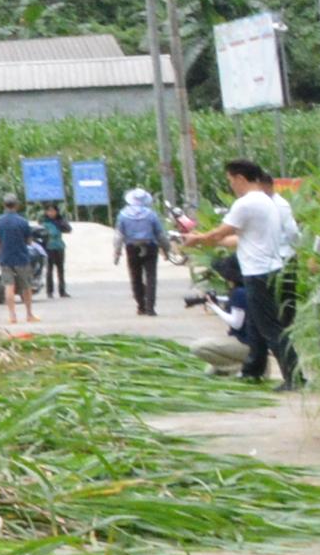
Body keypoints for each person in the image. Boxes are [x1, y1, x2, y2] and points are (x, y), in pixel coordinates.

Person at [193, 160, 307, 388]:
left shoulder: (245, 204)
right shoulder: (267, 201)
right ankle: (255, 369)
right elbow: (241, 237)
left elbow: (221, 233)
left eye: (230, 180)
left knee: (270, 327)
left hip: (258, 272)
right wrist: (206, 239)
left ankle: (294, 378)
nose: (231, 186)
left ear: (240, 178)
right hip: (270, 268)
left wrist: (198, 238)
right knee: (262, 325)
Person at [115, 185, 167, 315]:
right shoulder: (151, 215)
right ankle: (150, 307)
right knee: (151, 276)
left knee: (135, 276)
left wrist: (117, 252)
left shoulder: (123, 215)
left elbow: (119, 235)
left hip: (132, 248)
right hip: (150, 247)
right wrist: (167, 249)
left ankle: (141, 305)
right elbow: (160, 234)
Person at [0, 202, 42, 329]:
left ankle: (12, 316)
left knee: (9, 286)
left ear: (4, 205)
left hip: (5, 257)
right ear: (16, 206)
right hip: (21, 257)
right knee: (26, 286)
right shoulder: (23, 222)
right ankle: (29, 314)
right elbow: (29, 240)